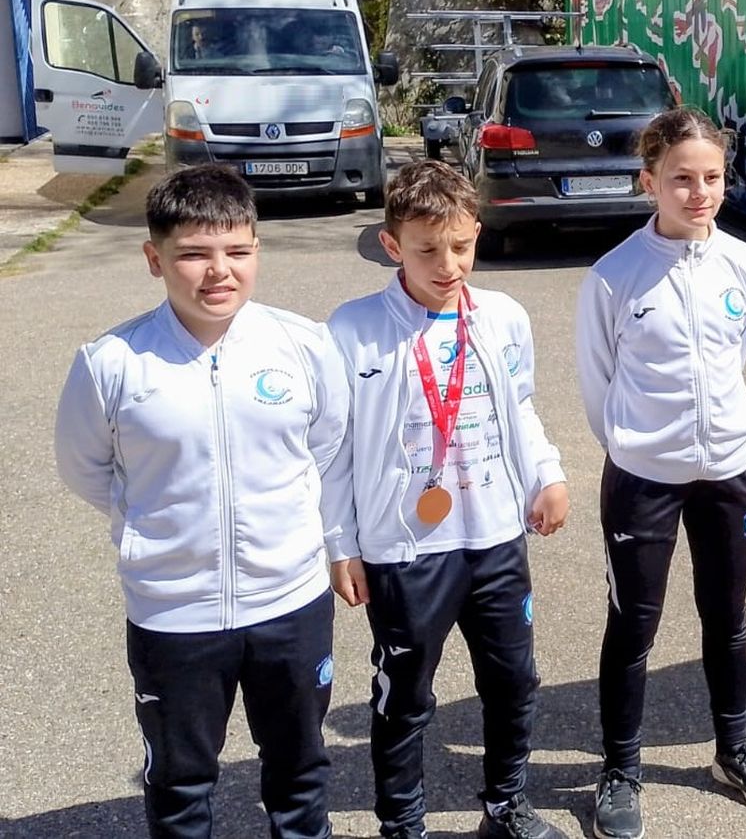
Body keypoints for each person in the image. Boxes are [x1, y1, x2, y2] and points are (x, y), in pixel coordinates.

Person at [54, 164, 351, 839]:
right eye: (193, 253)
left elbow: (326, 445)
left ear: (257, 251)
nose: (219, 271)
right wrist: (154, 528)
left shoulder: (303, 345)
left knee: (301, 770)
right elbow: (85, 468)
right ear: (154, 258)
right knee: (181, 782)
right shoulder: (112, 363)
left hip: (290, 602)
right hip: (174, 614)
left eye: (237, 250)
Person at [326, 160, 571, 839]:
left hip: (494, 538)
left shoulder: (503, 317)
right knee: (405, 696)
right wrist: (341, 544)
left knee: (513, 681)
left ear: (476, 234)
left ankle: (505, 805)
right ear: (392, 244)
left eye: (461, 246)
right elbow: (333, 452)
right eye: (427, 249)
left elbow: (520, 407)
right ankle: (403, 825)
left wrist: (546, 473)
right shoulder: (352, 330)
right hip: (406, 550)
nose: (448, 264)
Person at [576, 107, 746, 839]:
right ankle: (619, 768)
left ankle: (733, 748)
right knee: (633, 624)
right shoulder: (614, 276)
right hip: (643, 479)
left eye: (712, 178)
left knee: (727, 616)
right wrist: (643, 447)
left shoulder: (745, 264)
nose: (700, 194)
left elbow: (734, 354)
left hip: (728, 469)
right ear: (649, 182)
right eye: (681, 180)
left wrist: (712, 434)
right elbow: (599, 386)